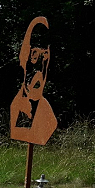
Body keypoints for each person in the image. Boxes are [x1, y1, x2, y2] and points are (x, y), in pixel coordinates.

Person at [10, 16, 57, 145]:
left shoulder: (49, 116)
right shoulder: (17, 107)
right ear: (24, 60)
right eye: (34, 56)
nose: (39, 71)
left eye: (45, 56)